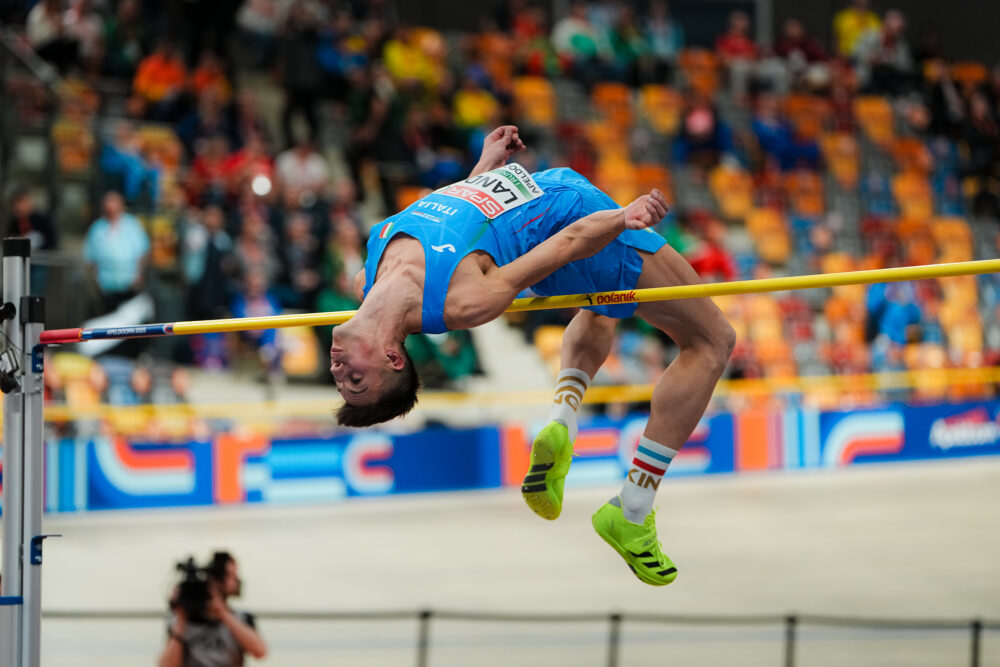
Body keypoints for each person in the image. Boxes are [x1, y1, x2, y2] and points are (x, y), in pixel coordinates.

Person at [332, 126, 735, 586]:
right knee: (713, 340)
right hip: (574, 220)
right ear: (393, 358)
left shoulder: (370, 268)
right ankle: (633, 508)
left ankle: (562, 419)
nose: (338, 372)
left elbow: (459, 214)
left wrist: (484, 166)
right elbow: (567, 245)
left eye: (342, 381)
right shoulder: (464, 302)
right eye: (356, 382)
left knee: (601, 308)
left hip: (546, 203)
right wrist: (622, 218)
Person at [159, 551, 267, 667]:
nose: (236, 581)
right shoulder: (180, 621)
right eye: (231, 576)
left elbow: (260, 651)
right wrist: (181, 619)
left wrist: (222, 613)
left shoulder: (241, 619)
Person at [83, 191, 150, 313]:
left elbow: (142, 252)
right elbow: (91, 259)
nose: (111, 206)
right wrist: (97, 281)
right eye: (108, 202)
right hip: (106, 288)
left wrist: (138, 276)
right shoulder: (97, 228)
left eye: (114, 202)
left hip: (129, 286)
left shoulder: (132, 225)